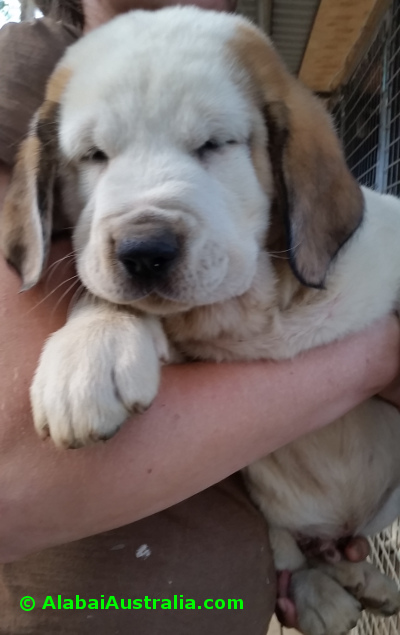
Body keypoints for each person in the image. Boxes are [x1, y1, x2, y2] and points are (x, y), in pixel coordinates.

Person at [0, 1, 399, 633]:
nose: (145, 229)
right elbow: (15, 489)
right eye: (95, 155)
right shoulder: (22, 70)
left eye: (211, 143)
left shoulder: (352, 225)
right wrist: (102, 311)